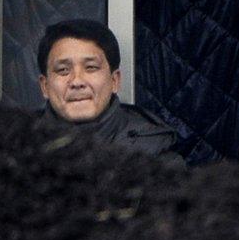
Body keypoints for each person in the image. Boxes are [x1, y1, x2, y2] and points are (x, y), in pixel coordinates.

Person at [37, 19, 180, 159]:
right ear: (45, 86)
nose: (77, 81)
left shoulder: (154, 155)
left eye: (91, 67)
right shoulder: (19, 151)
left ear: (114, 81)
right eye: (63, 70)